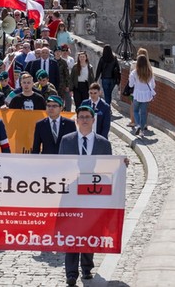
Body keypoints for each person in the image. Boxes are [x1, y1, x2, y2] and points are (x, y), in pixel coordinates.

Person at [59, 103, 117, 285]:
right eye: (81, 117)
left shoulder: (103, 143)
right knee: (71, 231)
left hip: (93, 195)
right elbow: (59, 166)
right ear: (76, 120)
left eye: (87, 117)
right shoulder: (66, 141)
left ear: (93, 120)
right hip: (71, 194)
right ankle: (70, 273)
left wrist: (121, 165)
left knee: (89, 230)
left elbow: (109, 169)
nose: (84, 120)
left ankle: (86, 267)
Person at [128, 49, 156, 137]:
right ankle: (142, 131)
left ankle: (138, 125)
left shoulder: (134, 72)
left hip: (137, 94)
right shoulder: (149, 72)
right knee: (144, 112)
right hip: (146, 95)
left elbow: (130, 84)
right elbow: (153, 85)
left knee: (135, 110)